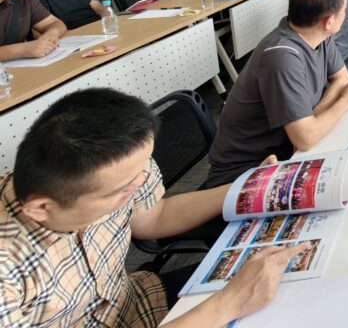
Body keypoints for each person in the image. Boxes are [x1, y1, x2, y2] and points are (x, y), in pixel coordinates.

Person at [0, 87, 305, 327]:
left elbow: (153, 216)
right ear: (41, 209)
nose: (139, 183)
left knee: (291, 286)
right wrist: (228, 304)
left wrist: (244, 188)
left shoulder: (111, 170)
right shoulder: (8, 266)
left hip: (136, 302)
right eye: (123, 189)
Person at [207, 0, 348, 185]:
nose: (346, 13)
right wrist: (344, 101)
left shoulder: (316, 35)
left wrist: (313, 117)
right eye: (344, 9)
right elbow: (305, 139)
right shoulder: (281, 56)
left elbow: (342, 78)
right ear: (329, 22)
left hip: (287, 153)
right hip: (247, 172)